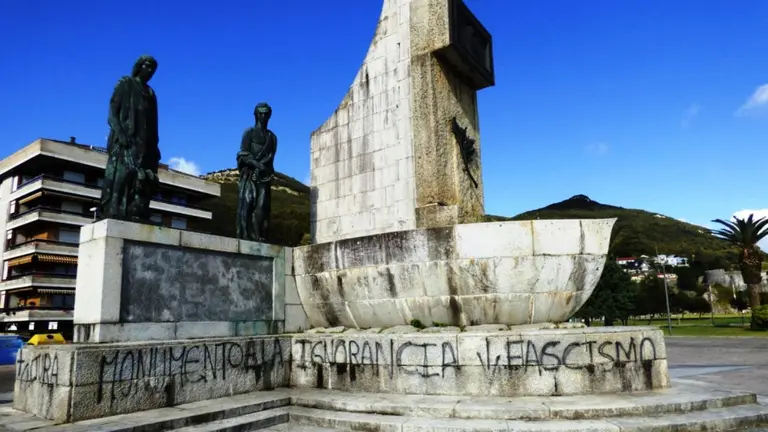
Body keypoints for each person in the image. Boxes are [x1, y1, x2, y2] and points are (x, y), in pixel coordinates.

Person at [100, 55, 161, 221]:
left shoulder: (150, 93)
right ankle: (114, 207)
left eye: (153, 69)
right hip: (126, 138)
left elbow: (154, 121)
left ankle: (136, 209)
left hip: (145, 142)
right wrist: (121, 134)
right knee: (123, 173)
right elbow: (112, 113)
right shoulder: (126, 83)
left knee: (143, 177)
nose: (150, 71)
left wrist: (155, 144)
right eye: (147, 66)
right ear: (139, 66)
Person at [237, 102, 277, 242]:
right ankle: (247, 234)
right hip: (249, 176)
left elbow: (271, 159)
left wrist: (267, 169)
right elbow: (242, 155)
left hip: (264, 178)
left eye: (266, 113)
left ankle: (259, 234)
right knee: (248, 204)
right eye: (261, 113)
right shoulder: (249, 133)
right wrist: (257, 164)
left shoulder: (272, 137)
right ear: (256, 115)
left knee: (262, 206)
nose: (263, 116)